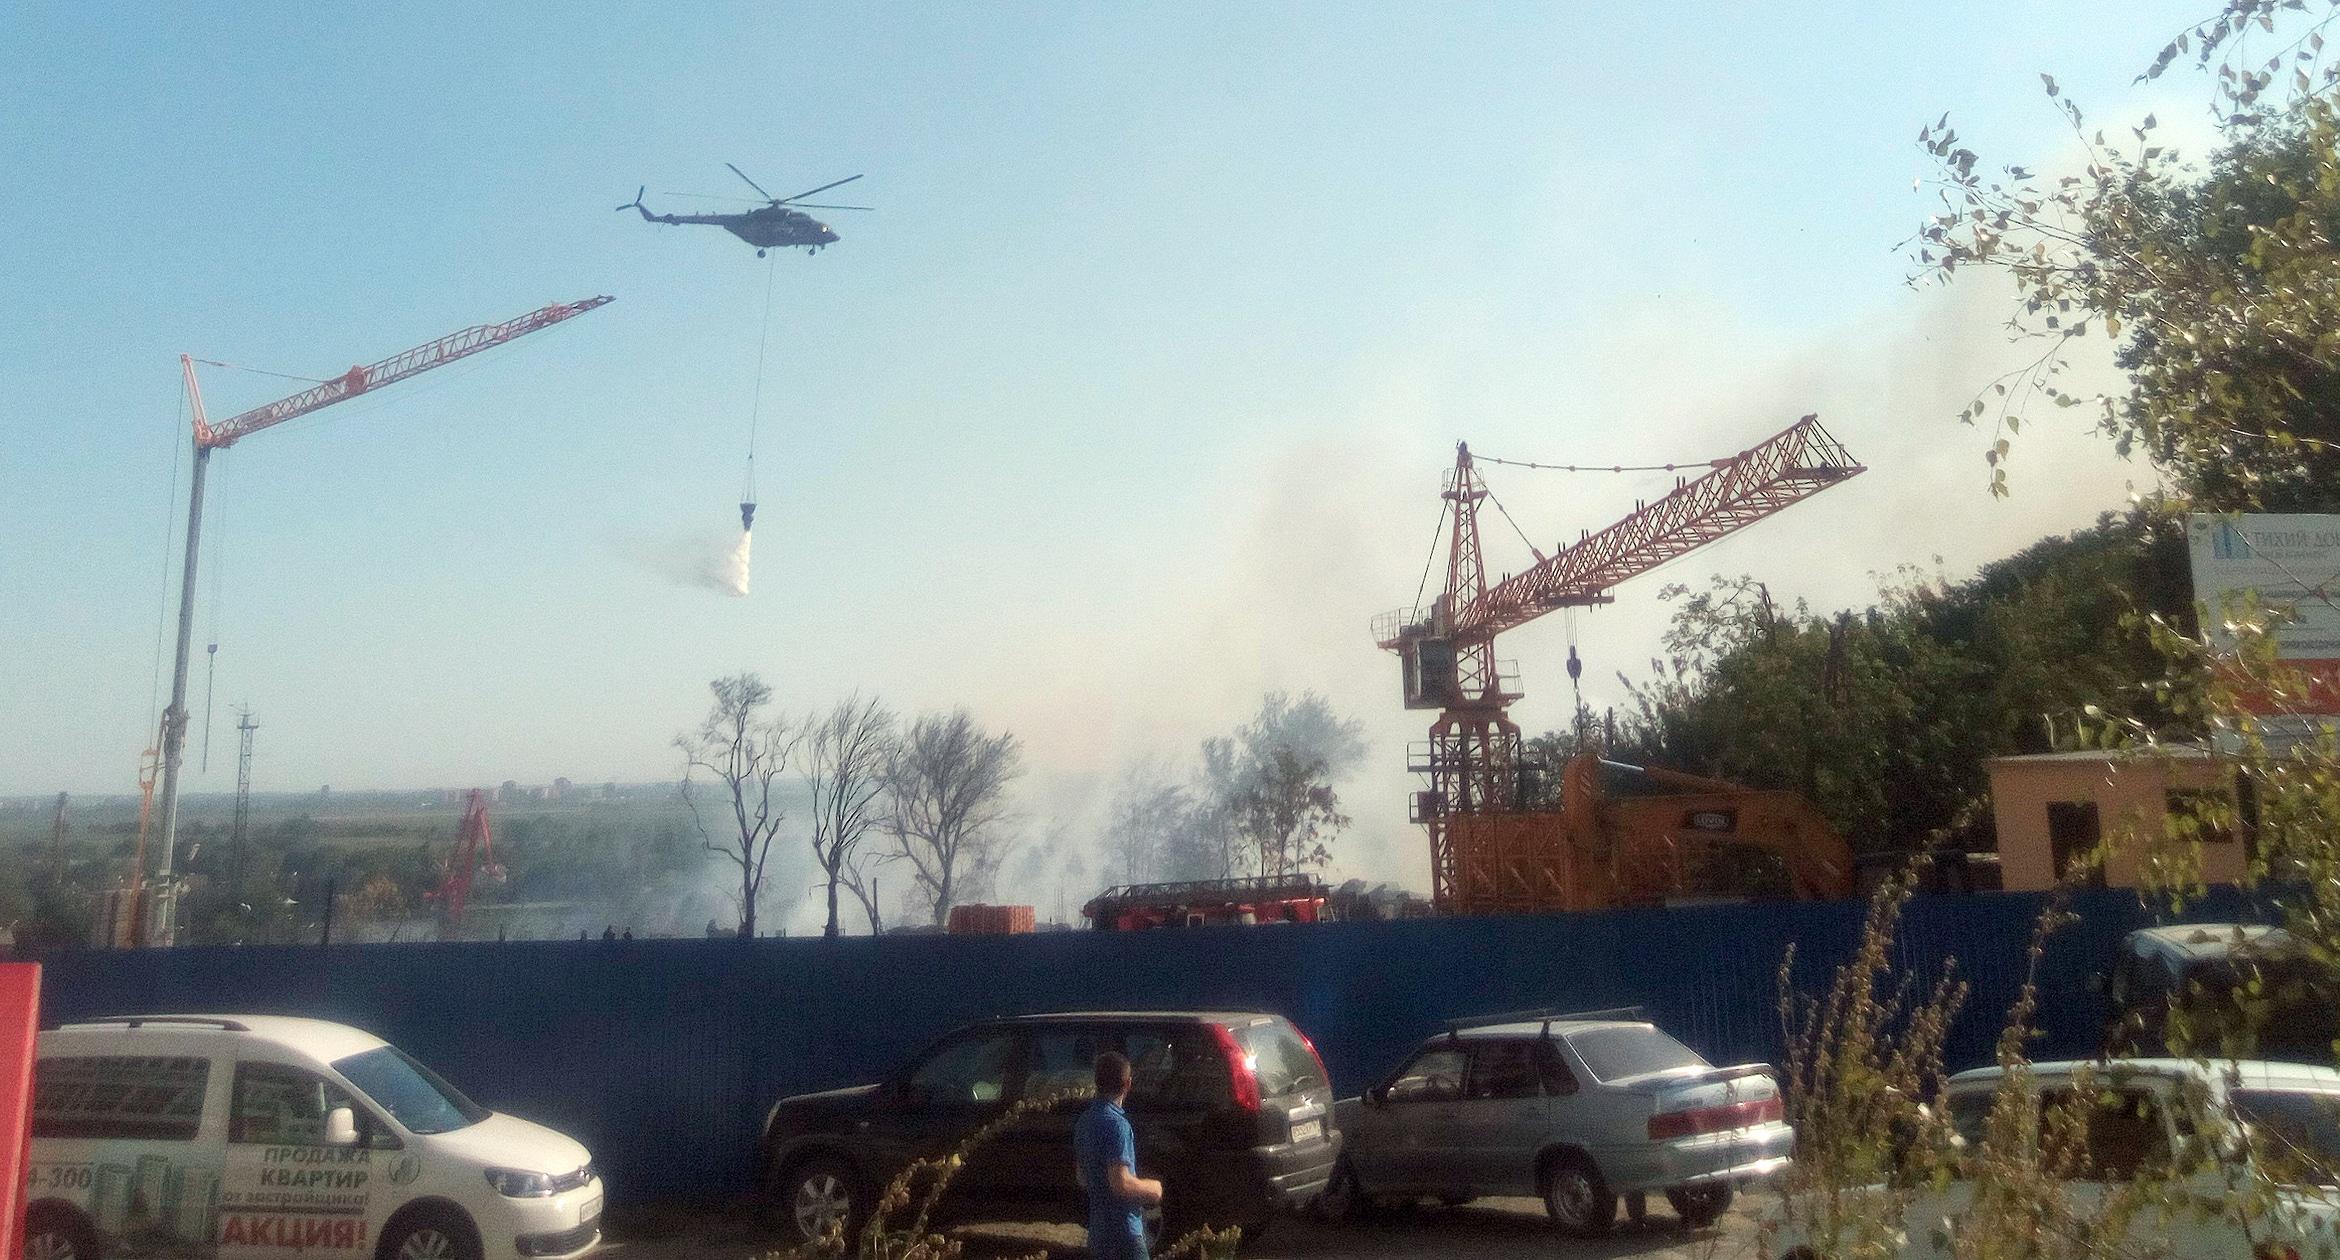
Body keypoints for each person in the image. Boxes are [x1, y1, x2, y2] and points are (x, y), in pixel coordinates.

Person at [1075, 1051, 1163, 1260]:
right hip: (1124, 1233)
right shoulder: (1117, 1125)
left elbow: (1081, 1177)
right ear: (1128, 1084)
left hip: (1098, 1232)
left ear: (1097, 1082)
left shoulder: (1084, 1121)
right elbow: (1121, 1183)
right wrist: (1153, 1188)